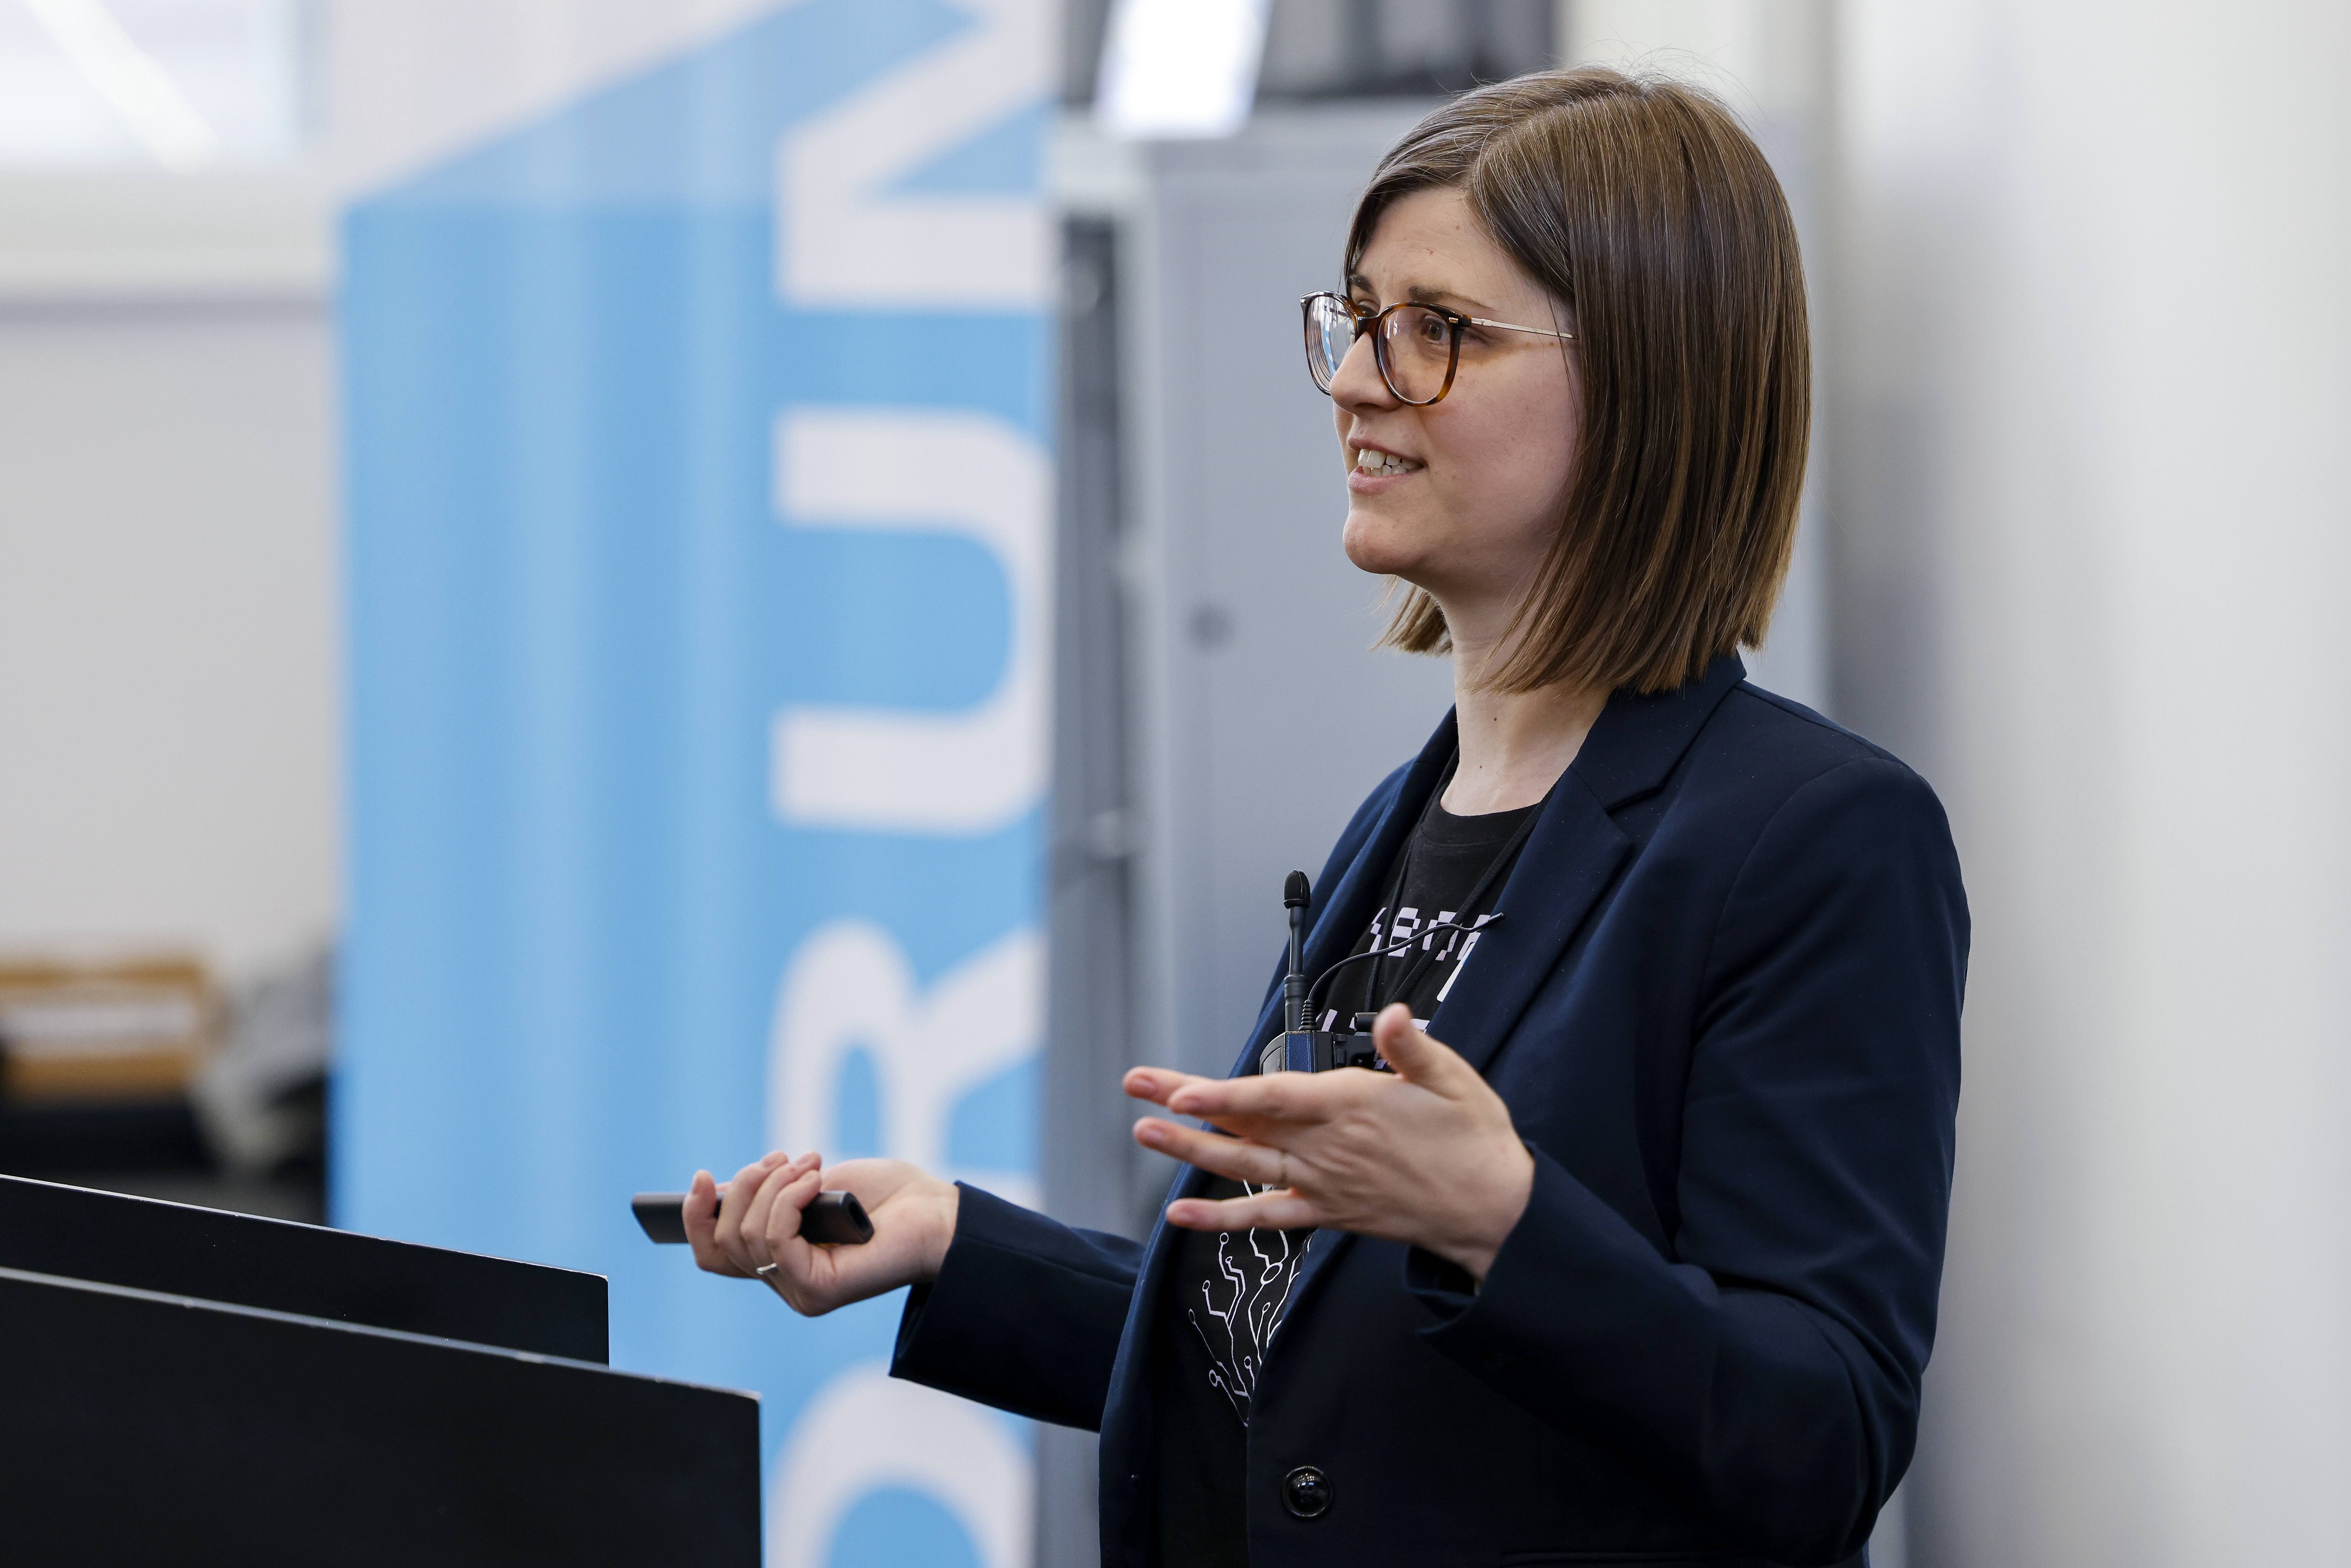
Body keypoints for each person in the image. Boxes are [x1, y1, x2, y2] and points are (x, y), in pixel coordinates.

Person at [685, 66, 1966, 1568]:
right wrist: (958, 1244)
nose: (1359, 377)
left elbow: (1820, 1437)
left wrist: (1501, 1220)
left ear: (1646, 380)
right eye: (1358, 320)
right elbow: (1306, 1368)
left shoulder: (1813, 837)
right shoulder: (1400, 818)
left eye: (1439, 333)